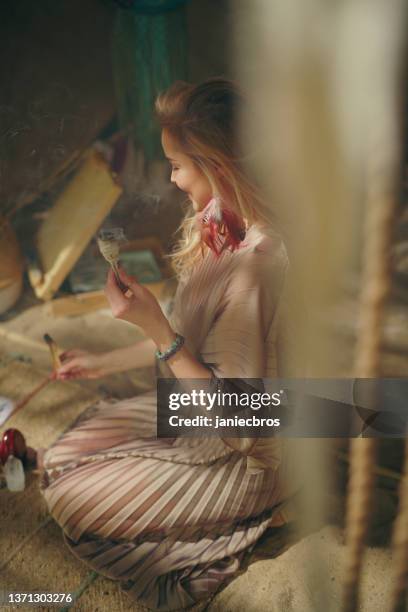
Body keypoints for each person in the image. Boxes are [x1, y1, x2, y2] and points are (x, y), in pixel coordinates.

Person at [37, 78, 298, 611]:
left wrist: (158, 330)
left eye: (177, 165)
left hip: (241, 453)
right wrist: (102, 360)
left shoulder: (260, 269)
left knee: (74, 504)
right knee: (60, 458)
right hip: (190, 415)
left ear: (218, 168)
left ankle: (257, 516)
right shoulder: (222, 221)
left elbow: (244, 420)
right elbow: (186, 338)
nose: (172, 179)